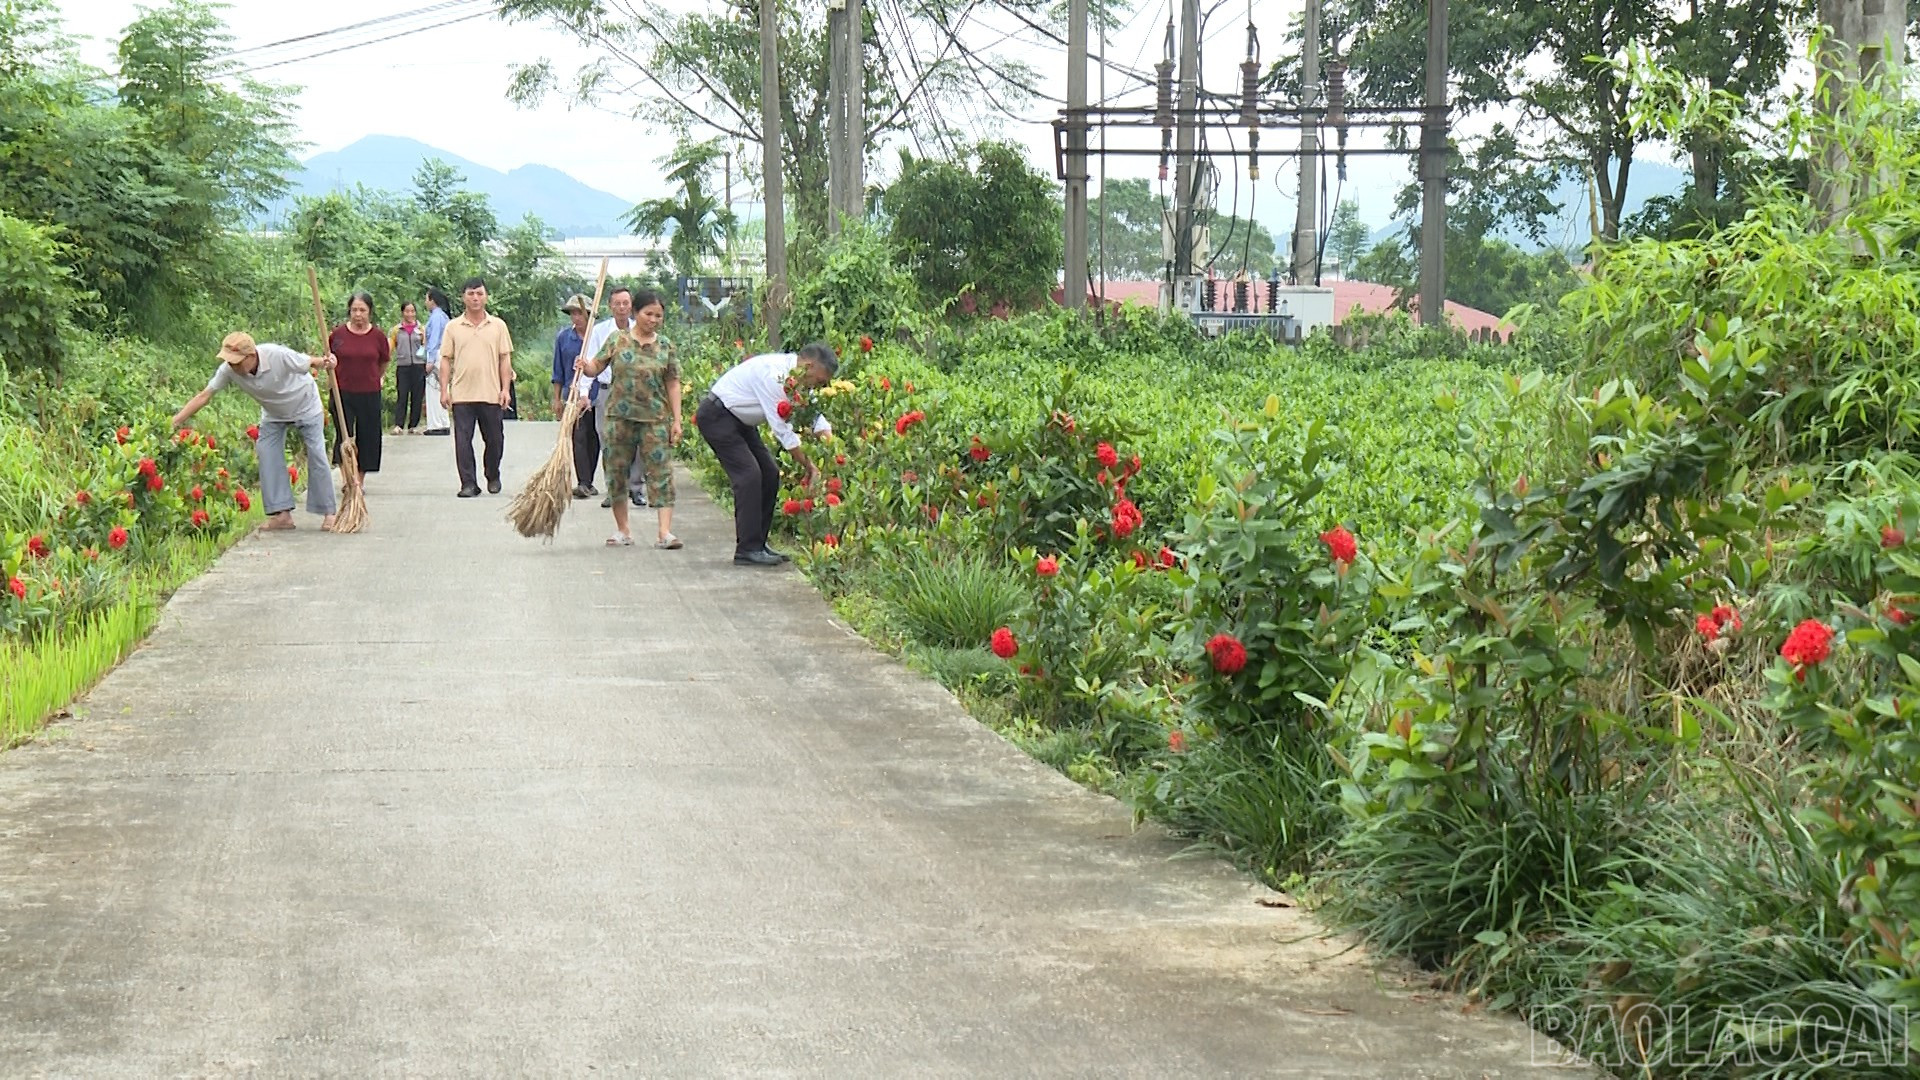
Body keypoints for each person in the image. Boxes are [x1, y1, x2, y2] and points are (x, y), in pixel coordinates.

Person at [169, 331, 339, 532]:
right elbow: (204, 396)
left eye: (238, 362)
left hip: (305, 405)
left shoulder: (276, 354)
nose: (233, 366)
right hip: (273, 413)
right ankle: (282, 514)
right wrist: (174, 422)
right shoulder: (229, 370)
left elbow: (310, 361)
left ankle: (329, 512)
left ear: (251, 356)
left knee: (317, 454)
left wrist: (327, 362)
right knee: (266, 451)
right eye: (230, 362)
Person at [695, 342, 837, 566]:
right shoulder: (775, 376)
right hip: (717, 416)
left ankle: (758, 543)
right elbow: (783, 431)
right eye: (819, 381)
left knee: (770, 473)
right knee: (749, 475)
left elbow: (814, 416)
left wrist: (834, 449)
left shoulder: (799, 379)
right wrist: (810, 466)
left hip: (739, 420)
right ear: (808, 366)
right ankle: (747, 549)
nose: (818, 386)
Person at [574, 288, 683, 549]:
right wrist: (583, 365)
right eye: (648, 314)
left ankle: (664, 533)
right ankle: (623, 530)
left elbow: (673, 383)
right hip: (619, 419)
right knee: (616, 472)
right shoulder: (617, 340)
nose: (653, 320)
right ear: (636, 313)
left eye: (658, 315)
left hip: (655, 419)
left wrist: (677, 420)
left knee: (661, 473)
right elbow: (595, 367)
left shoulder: (666, 346)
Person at [438, 276, 515, 497]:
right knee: (462, 441)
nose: (475, 298)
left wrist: (505, 389)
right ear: (463, 297)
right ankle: (468, 483)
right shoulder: (453, 327)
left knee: (495, 439)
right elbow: (445, 359)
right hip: (462, 394)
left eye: (479, 293)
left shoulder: (498, 326)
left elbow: (504, 359)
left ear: (486, 297)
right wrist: (444, 390)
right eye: (471, 294)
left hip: (491, 393)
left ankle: (493, 474)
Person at [581, 285, 648, 509]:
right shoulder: (601, 331)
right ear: (610, 306)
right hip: (607, 391)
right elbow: (590, 362)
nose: (621, 308)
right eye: (617, 303)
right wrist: (583, 393)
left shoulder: (641, 330)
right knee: (608, 442)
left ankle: (636, 488)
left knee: (636, 441)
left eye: (625, 303)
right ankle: (614, 490)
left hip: (635, 392)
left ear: (632, 307)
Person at [328, 291, 389, 488]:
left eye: (362, 310)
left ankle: (358, 481)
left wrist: (375, 378)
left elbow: (383, 362)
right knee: (344, 435)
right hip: (342, 392)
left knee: (368, 435)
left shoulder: (378, 337)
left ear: (369, 312)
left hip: (369, 392)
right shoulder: (337, 336)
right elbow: (329, 359)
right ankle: (347, 478)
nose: (358, 314)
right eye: (354, 310)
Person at [551, 294, 600, 499]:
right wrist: (557, 398)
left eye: (579, 313)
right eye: (572, 313)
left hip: (597, 393)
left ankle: (589, 479)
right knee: (578, 437)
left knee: (594, 438)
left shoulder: (598, 336)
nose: (576, 317)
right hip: (572, 396)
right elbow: (558, 370)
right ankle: (583, 482)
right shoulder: (564, 338)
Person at [390, 300, 428, 434]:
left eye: (412, 311)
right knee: (402, 395)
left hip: (418, 366)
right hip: (403, 366)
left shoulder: (421, 329)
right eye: (407, 311)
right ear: (402, 312)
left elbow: (426, 346)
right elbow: (391, 347)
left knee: (417, 396)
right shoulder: (396, 330)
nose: (410, 314)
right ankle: (399, 424)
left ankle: (414, 425)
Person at [421, 288, 452, 435]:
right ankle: (443, 422)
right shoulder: (443, 316)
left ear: (432, 300)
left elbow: (433, 340)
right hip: (443, 354)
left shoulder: (436, 317)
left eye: (427, 298)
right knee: (442, 388)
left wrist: (430, 360)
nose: (425, 302)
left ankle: (436, 424)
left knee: (434, 390)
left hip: (437, 354)